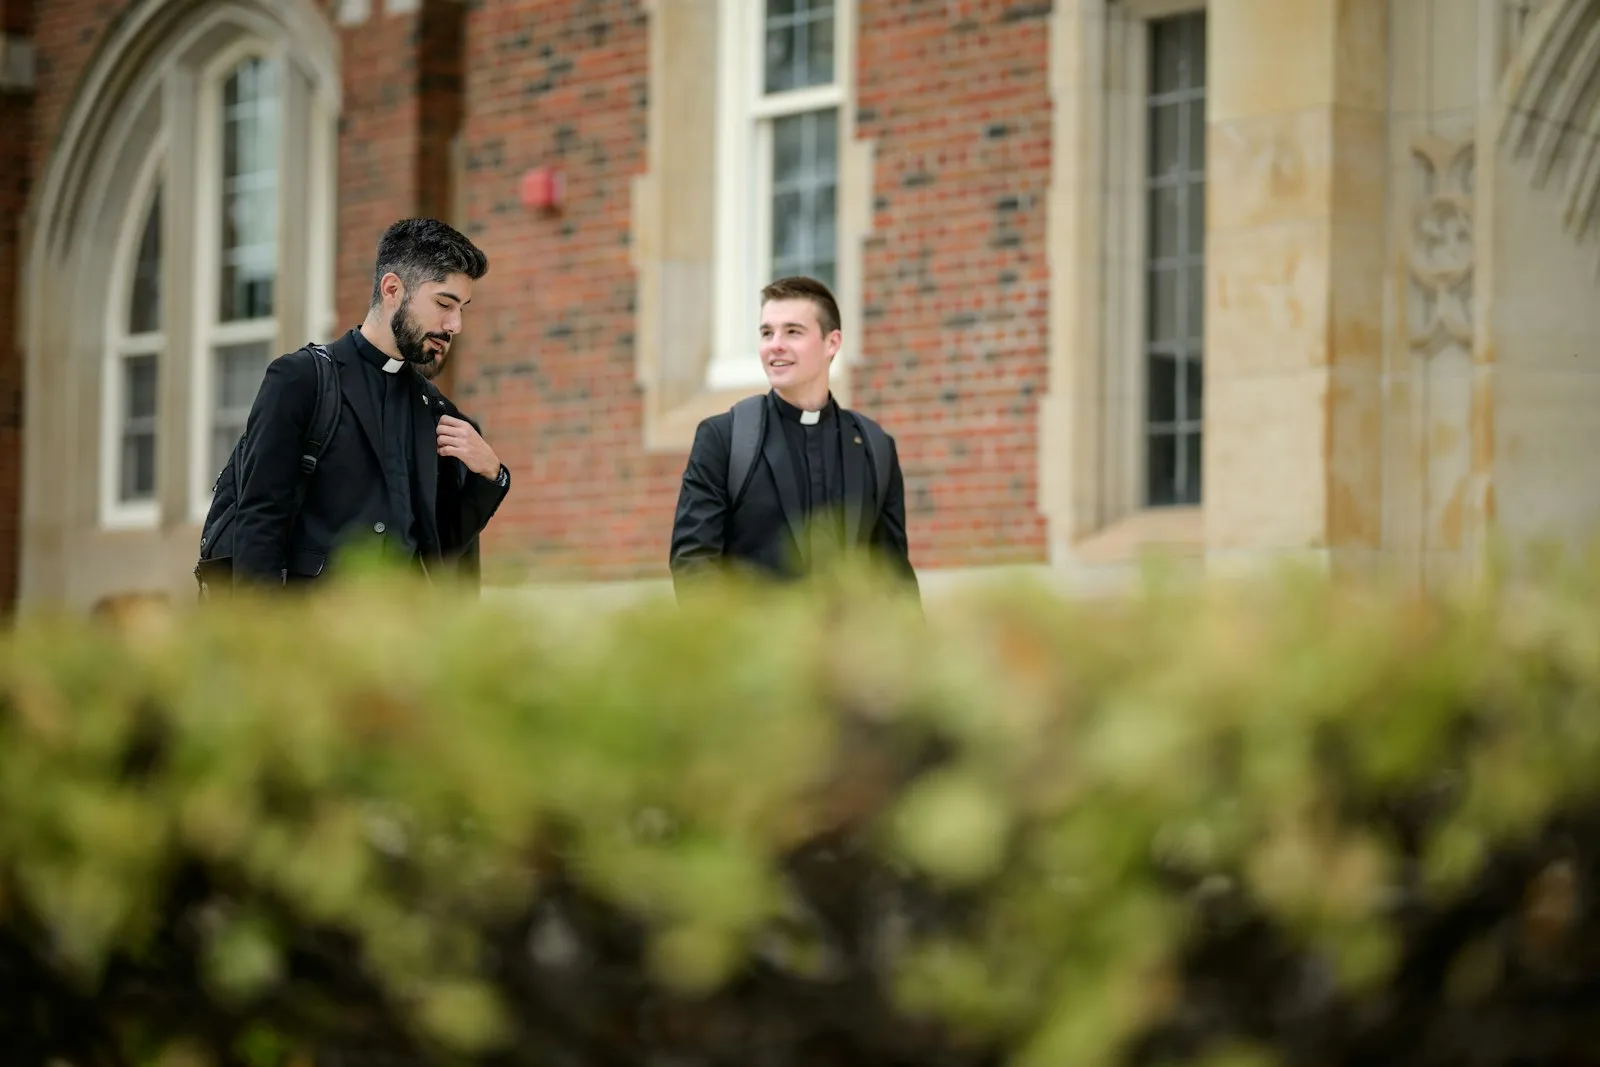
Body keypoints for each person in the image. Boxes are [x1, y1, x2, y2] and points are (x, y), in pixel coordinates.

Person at [201, 217, 510, 591]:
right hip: (313, 638)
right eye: (444, 303)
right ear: (393, 289)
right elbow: (261, 521)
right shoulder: (301, 380)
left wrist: (491, 477)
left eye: (463, 308)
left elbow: (439, 557)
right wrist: (265, 641)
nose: (455, 324)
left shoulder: (441, 416)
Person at [669, 276, 917, 598]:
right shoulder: (723, 438)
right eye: (767, 333)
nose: (775, 344)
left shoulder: (876, 447)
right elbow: (694, 565)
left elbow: (894, 577)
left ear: (832, 343)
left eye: (793, 332)